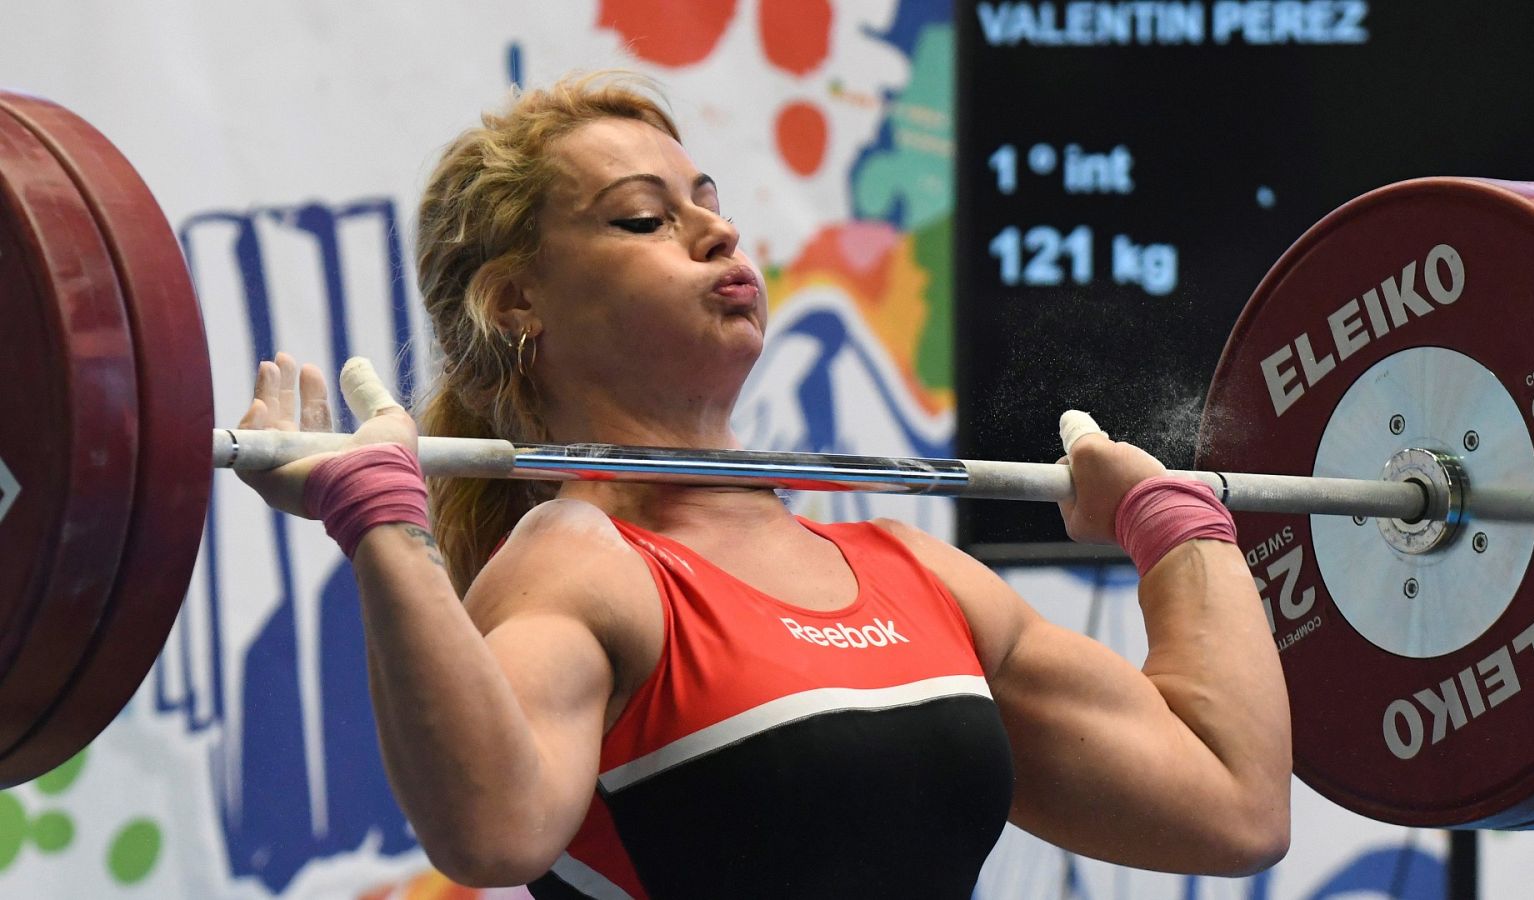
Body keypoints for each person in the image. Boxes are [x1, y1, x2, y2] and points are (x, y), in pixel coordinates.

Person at [235, 72, 1290, 898]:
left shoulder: (917, 576)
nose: (717, 232)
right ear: (518, 300)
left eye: (709, 202)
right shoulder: (580, 567)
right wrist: (382, 527)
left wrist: (1171, 524)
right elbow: (489, 830)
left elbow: (1230, 806)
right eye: (643, 220)